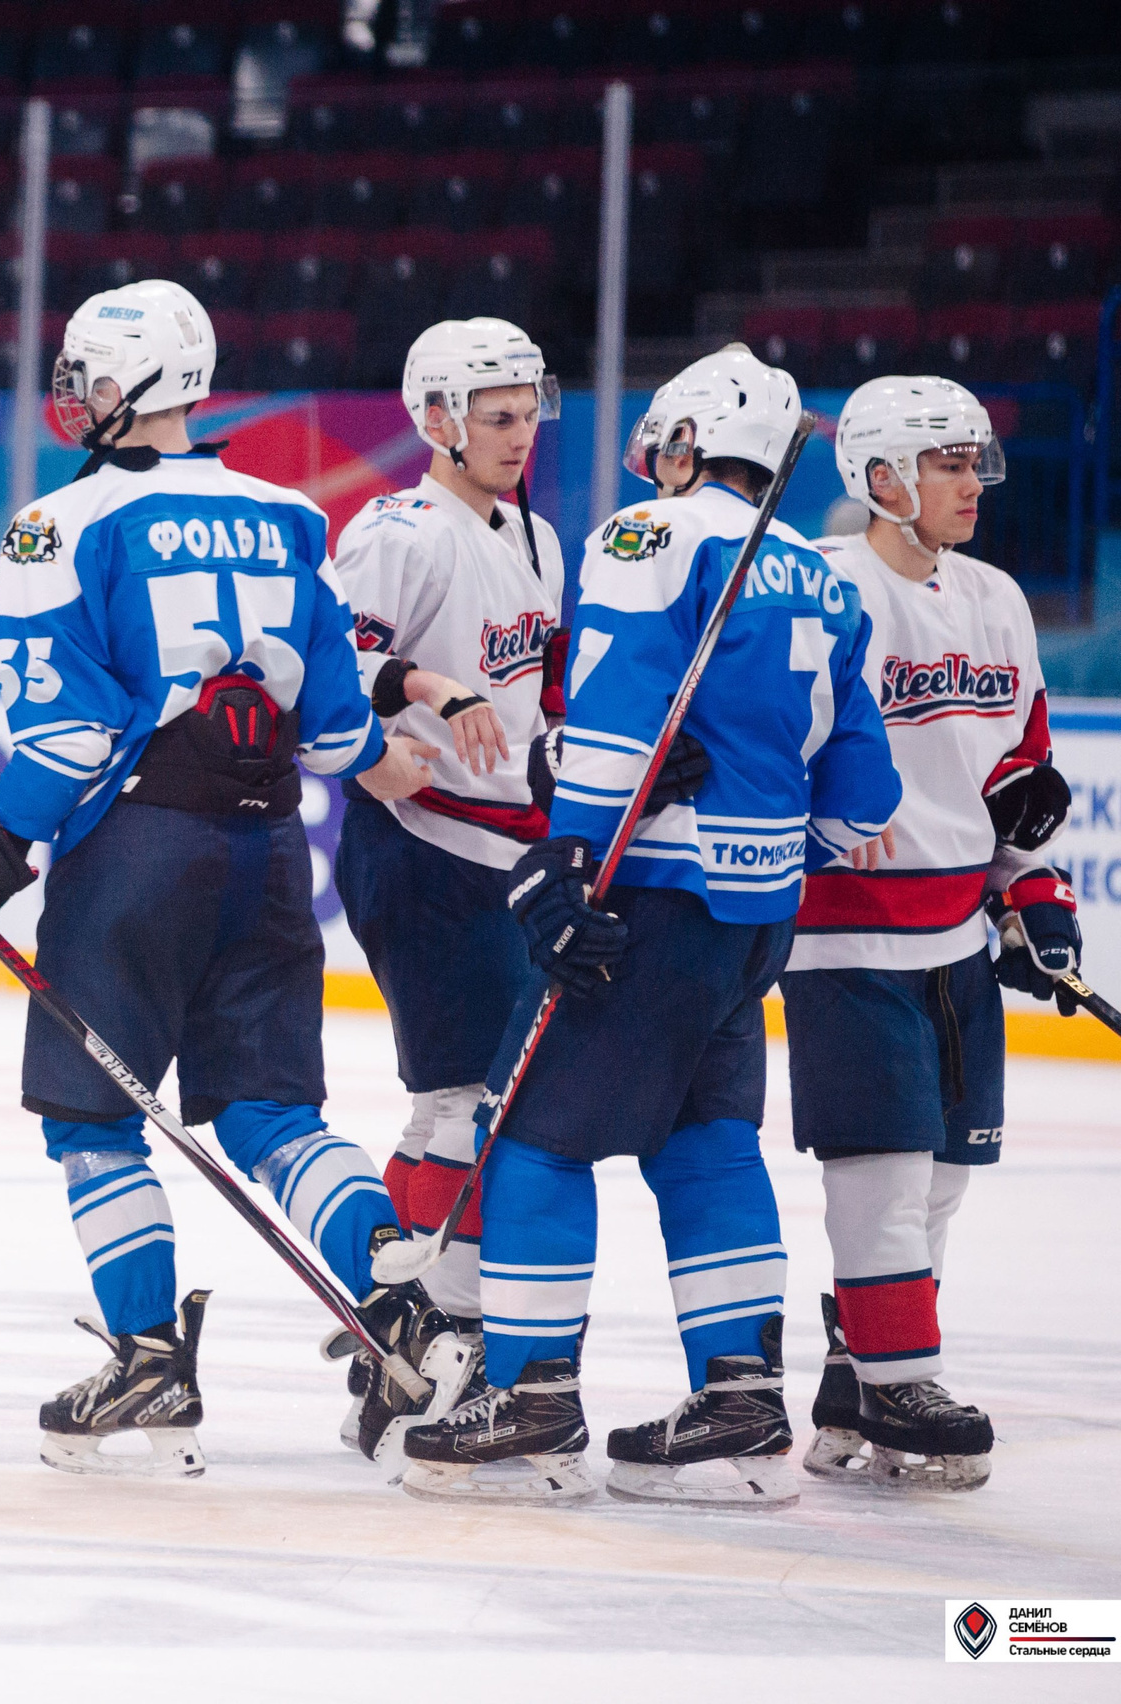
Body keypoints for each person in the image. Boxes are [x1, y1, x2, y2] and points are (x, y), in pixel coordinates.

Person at [0, 281, 448, 1477]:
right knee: (275, 1115)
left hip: (134, 857)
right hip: (270, 850)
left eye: (84, 374)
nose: (71, 395)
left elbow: (68, 738)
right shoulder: (292, 514)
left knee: (93, 1123)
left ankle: (146, 1358)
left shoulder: (60, 524)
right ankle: (401, 1298)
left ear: (125, 389)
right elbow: (339, 737)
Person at [399, 345, 902, 1508]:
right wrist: (762, 853)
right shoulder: (826, 580)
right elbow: (862, 797)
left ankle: (527, 1398)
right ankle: (735, 1399)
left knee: (529, 1135)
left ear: (687, 442)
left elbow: (622, 707)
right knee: (706, 1141)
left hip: (645, 902)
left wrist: (567, 858)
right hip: (750, 923)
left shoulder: (650, 536)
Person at [782, 375, 1066, 1493]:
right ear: (880, 478)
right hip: (843, 938)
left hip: (951, 935)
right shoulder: (822, 589)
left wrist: (1030, 896)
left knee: (944, 1175)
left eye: (972, 461)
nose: (969, 482)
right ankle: (904, 1381)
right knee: (884, 1172)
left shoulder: (996, 597)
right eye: (944, 462)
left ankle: (858, 1378)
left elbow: (1018, 776)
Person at [330, 317, 567, 1440]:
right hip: (416, 847)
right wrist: (433, 690)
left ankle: (409, 1307)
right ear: (437, 421)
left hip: (504, 854)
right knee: (467, 1100)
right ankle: (449, 1328)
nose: (520, 434)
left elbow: (543, 689)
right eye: (496, 416)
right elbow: (327, 658)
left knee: (462, 1101)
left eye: (528, 412)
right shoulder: (399, 529)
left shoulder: (539, 535)